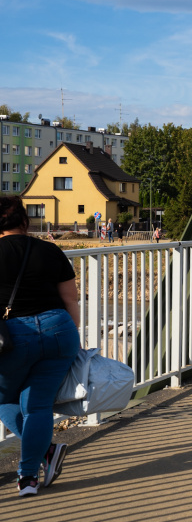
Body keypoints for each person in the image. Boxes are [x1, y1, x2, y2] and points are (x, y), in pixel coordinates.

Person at [0, 196, 81, 496]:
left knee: (5, 397)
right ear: (25, 221)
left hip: (13, 336)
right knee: (37, 405)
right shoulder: (50, 250)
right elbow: (70, 299)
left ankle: (46, 452)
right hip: (59, 331)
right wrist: (73, 339)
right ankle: (28, 478)